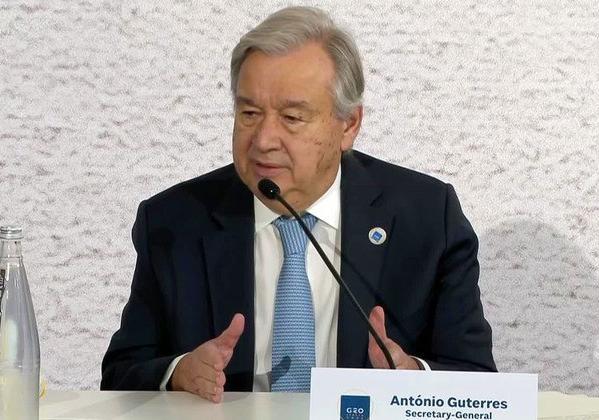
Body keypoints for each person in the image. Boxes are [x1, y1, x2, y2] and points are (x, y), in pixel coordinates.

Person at [101, 6, 496, 402]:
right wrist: (178, 373)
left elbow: (477, 380)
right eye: (249, 113)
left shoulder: (427, 219)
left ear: (349, 125)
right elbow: (119, 376)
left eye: (291, 117)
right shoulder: (175, 222)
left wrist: (415, 379)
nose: (263, 140)